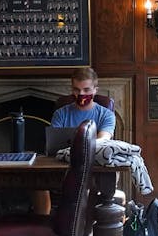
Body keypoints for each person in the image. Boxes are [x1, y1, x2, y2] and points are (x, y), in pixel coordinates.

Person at [33, 66, 116, 214]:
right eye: (76, 90)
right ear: (72, 89)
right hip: (63, 165)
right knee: (38, 182)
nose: (81, 94)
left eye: (86, 90)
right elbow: (54, 143)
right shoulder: (61, 113)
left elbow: (102, 141)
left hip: (92, 166)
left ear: (95, 90)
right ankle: (43, 225)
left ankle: (86, 231)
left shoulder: (106, 115)